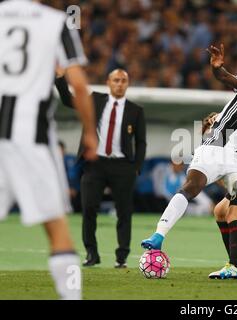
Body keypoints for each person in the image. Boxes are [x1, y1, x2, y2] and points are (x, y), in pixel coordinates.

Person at [141, 44, 237, 281]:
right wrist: (217, 67)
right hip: (216, 147)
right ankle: (158, 236)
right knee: (192, 187)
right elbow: (226, 78)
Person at [0, 0, 97, 300]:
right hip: (33, 138)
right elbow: (79, 86)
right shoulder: (57, 22)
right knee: (58, 232)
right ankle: (71, 297)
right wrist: (90, 133)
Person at [55, 68, 147, 268]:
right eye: (116, 80)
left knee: (124, 212)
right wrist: (60, 78)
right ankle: (91, 253)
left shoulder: (135, 110)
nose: (119, 84)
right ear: (108, 82)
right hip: (95, 163)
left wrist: (136, 168)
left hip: (123, 166)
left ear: (127, 84)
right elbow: (68, 100)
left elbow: (141, 142)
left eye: (123, 80)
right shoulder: (95, 100)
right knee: (88, 208)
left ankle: (121, 257)